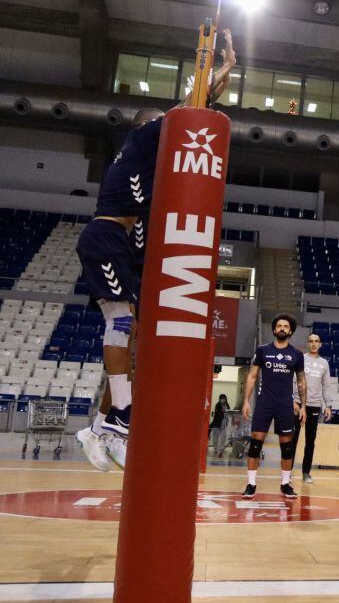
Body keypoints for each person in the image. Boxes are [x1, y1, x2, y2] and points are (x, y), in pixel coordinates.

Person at [74, 29, 237, 473]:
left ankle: (102, 426)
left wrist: (219, 84)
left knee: (135, 342)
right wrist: (219, 71)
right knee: (121, 321)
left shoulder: (147, 174)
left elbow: (198, 111)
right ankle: (122, 420)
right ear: (150, 129)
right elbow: (188, 109)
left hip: (120, 247)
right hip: (104, 238)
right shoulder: (143, 140)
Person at [241, 314, 306, 499]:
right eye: (279, 326)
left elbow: (301, 381)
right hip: (264, 403)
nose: (282, 329)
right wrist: (246, 400)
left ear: (291, 331)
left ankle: (285, 484)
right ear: (274, 329)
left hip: (285, 405)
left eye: (286, 326)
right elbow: (252, 376)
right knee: (255, 444)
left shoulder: (297, 354)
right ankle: (251, 484)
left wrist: (303, 406)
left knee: (287, 447)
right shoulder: (262, 351)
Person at [294, 333, 333, 483]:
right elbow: (294, 380)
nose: (314, 344)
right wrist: (294, 401)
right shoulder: (301, 359)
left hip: (314, 405)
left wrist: (327, 405)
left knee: (310, 441)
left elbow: (326, 386)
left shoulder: (324, 363)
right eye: (311, 341)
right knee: (293, 439)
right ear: (307, 344)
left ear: (320, 344)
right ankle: (287, 473)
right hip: (298, 404)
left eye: (316, 341)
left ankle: (306, 473)